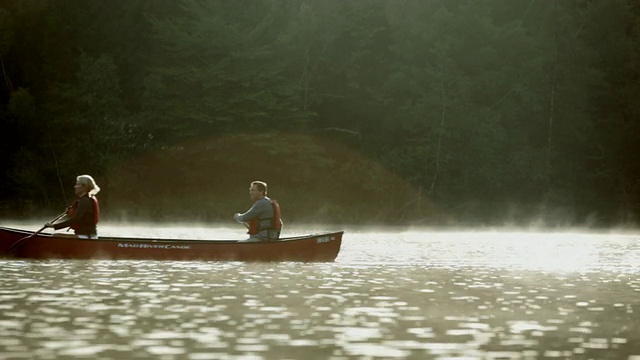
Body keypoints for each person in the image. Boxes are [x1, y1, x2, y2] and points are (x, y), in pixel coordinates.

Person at [46, 174, 101, 239]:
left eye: (77, 184)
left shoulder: (85, 201)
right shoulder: (85, 200)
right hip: (86, 235)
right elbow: (79, 217)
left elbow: (74, 220)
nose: (75, 186)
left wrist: (54, 226)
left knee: (55, 236)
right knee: (55, 236)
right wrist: (70, 212)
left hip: (87, 236)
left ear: (84, 187)